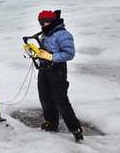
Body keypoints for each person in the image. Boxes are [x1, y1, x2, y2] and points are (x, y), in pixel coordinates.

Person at [35, 10, 84, 142]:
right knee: (45, 97)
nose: (42, 25)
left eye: (44, 22)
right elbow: (44, 51)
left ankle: (75, 128)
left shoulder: (63, 35)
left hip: (57, 71)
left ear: (51, 21)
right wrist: (36, 52)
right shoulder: (45, 34)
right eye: (40, 22)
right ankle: (51, 123)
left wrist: (51, 57)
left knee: (60, 100)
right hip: (44, 69)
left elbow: (69, 53)